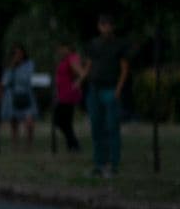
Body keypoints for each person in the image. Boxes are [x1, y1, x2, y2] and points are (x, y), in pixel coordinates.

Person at [78, 14, 130, 178]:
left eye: (108, 24)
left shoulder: (119, 45)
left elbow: (124, 69)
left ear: (112, 26)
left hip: (110, 88)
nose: (106, 27)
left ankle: (113, 164)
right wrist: (80, 80)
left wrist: (118, 89)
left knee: (112, 127)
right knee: (96, 127)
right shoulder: (94, 44)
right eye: (103, 24)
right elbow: (89, 65)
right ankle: (99, 164)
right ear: (99, 26)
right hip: (95, 88)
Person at [1, 43, 37, 151]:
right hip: (13, 96)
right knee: (14, 121)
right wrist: (12, 67)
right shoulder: (10, 66)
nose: (18, 55)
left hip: (26, 95)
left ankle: (29, 145)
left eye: (19, 53)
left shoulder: (29, 64)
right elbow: (5, 81)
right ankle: (14, 144)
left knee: (29, 121)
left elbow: (27, 79)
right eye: (15, 53)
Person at [51, 41, 84, 153]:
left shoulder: (72, 58)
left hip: (68, 94)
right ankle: (72, 144)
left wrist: (78, 82)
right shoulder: (65, 59)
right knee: (64, 121)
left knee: (60, 120)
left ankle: (74, 143)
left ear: (67, 48)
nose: (59, 51)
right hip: (62, 93)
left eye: (61, 48)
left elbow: (81, 73)